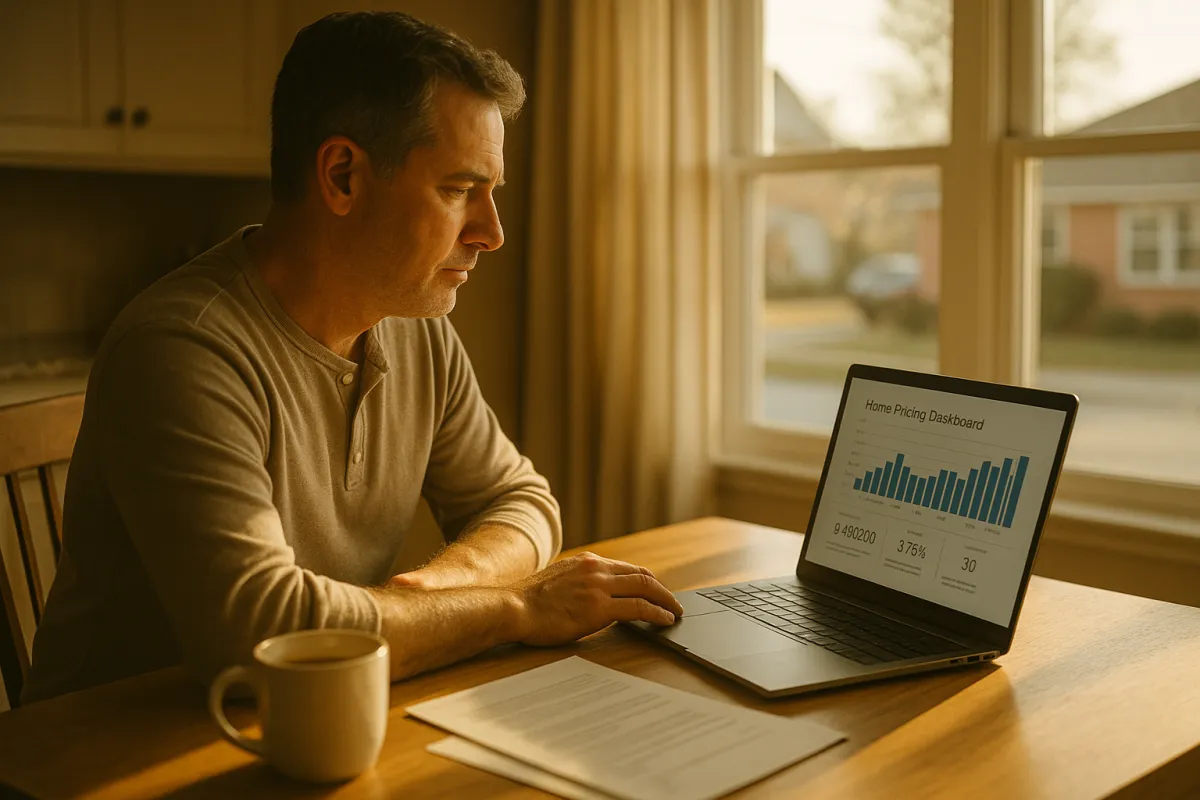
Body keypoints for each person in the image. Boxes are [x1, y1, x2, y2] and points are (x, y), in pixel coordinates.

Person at [22, 10, 683, 704]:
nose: (493, 232)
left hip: (308, 721)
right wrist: (516, 608)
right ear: (342, 176)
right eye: (460, 190)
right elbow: (264, 634)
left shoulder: (415, 326)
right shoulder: (182, 350)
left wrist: (433, 594)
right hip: (110, 755)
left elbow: (519, 501)